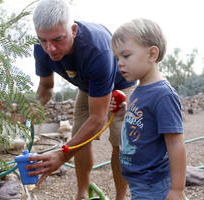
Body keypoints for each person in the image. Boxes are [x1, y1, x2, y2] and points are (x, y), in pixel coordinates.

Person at [27, 0, 136, 199]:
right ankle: (82, 193)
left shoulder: (97, 49)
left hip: (122, 84)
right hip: (88, 87)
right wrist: (31, 113)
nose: (50, 48)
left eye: (58, 39)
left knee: (120, 140)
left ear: (74, 30)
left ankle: (121, 196)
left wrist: (61, 154)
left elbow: (98, 118)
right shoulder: (41, 46)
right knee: (79, 136)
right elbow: (46, 88)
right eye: (43, 40)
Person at [110, 18, 187, 200]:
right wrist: (125, 112)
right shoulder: (140, 89)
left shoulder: (163, 95)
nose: (119, 63)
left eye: (126, 55)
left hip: (153, 184)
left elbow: (176, 143)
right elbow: (144, 120)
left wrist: (177, 190)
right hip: (140, 181)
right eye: (117, 58)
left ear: (152, 54)